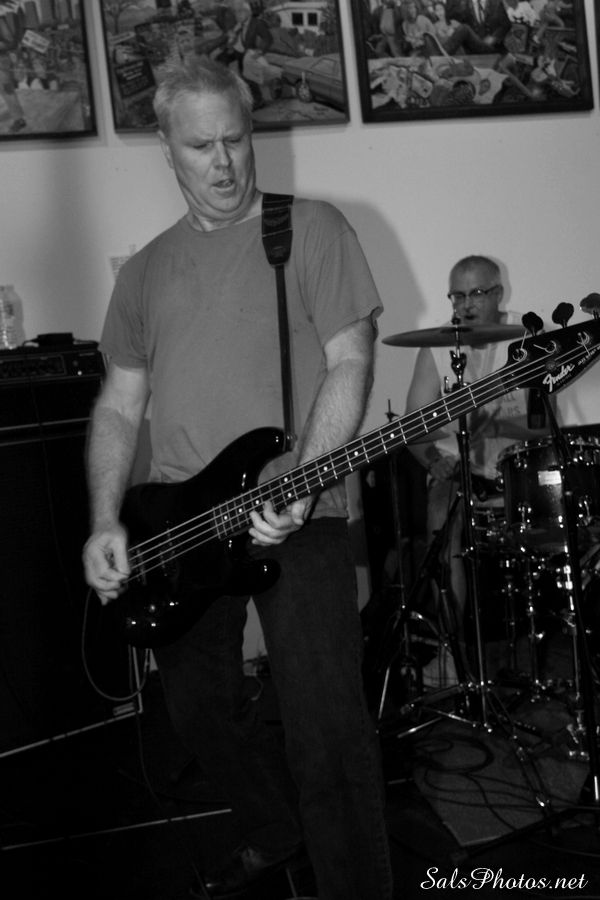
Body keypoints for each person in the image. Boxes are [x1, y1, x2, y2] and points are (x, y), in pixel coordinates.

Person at [83, 57, 393, 900]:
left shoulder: (312, 229)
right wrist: (106, 518)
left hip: (297, 512)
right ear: (166, 148)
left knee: (326, 730)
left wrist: (302, 480)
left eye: (236, 139)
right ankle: (275, 831)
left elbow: (350, 360)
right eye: (201, 146)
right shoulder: (143, 273)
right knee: (195, 716)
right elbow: (119, 406)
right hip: (179, 527)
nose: (223, 162)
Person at [404, 256, 548, 686]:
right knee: (438, 518)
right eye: (458, 295)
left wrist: (497, 425)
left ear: (498, 293)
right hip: (457, 473)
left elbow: (543, 422)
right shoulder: (438, 345)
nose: (466, 305)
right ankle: (450, 652)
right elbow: (413, 426)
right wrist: (435, 461)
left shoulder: (528, 335)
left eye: (477, 294)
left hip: (516, 468)